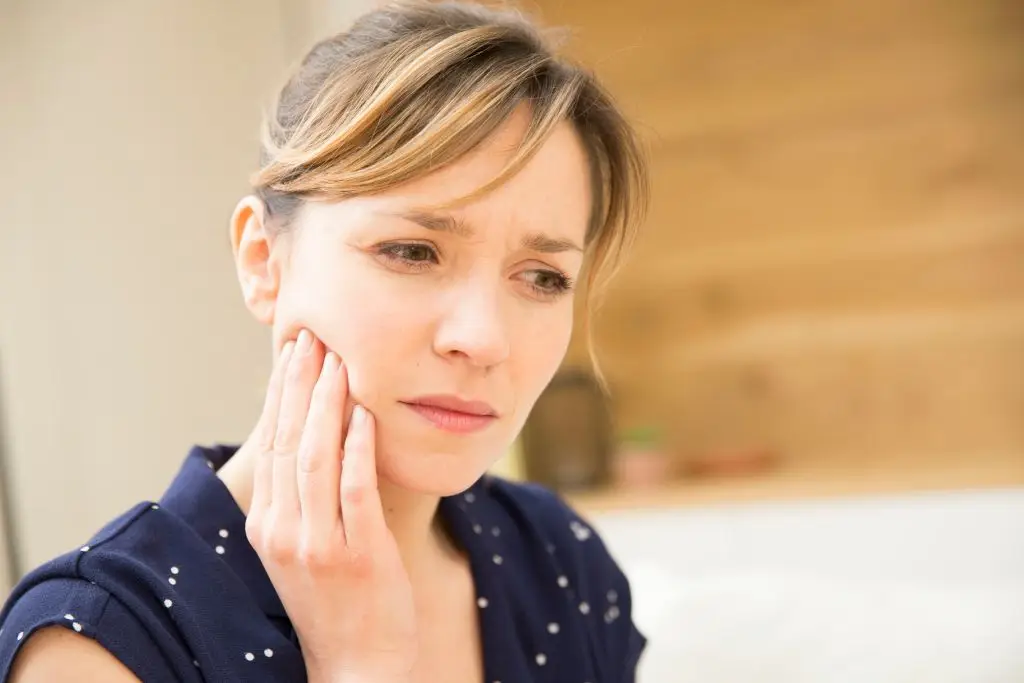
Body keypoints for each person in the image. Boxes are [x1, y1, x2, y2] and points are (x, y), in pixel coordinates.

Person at [0, 1, 649, 681]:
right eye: (412, 250)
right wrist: (359, 666)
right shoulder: (98, 643)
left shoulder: (561, 564)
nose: (483, 338)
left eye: (543, 277)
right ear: (263, 260)